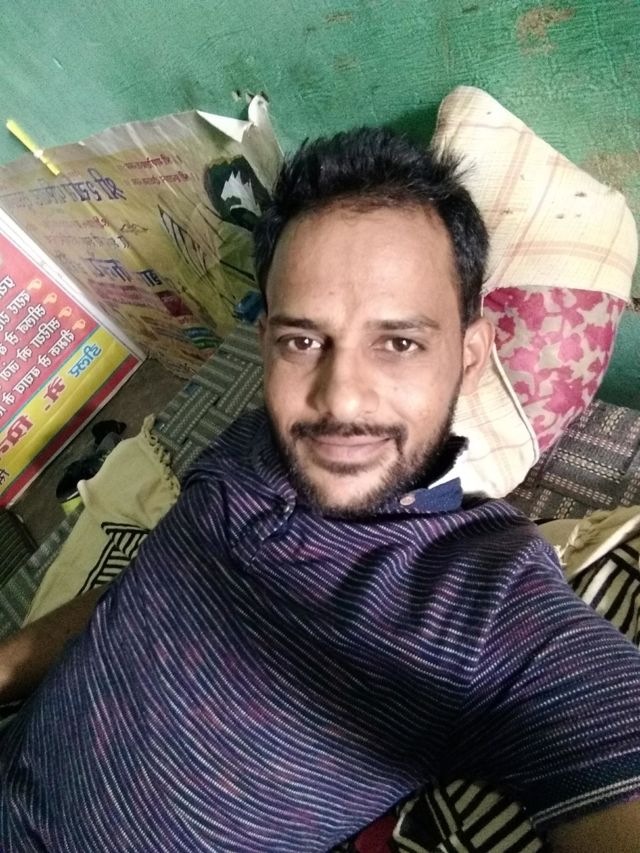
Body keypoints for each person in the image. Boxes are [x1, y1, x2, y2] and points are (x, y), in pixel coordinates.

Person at [1, 128, 640, 852]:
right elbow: (144, 592)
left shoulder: (490, 608)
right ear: (267, 341)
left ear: (469, 356)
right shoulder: (249, 443)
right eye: (303, 341)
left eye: (398, 343)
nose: (339, 399)